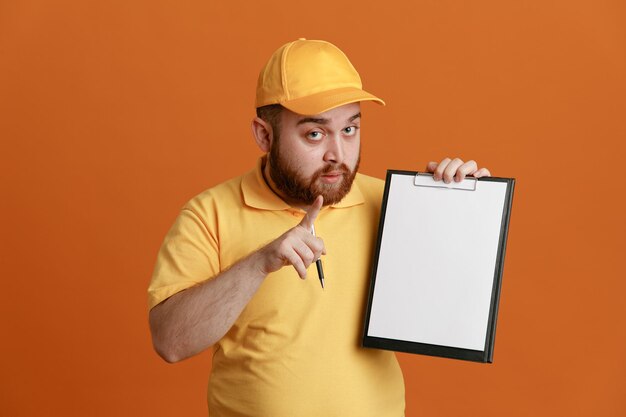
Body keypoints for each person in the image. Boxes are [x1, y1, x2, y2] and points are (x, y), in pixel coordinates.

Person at [147, 38, 491, 416]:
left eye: (349, 130)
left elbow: (454, 301)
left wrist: (465, 206)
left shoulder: (391, 203)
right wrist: (259, 262)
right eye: (315, 134)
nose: (338, 156)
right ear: (264, 135)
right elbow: (171, 341)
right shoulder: (208, 214)